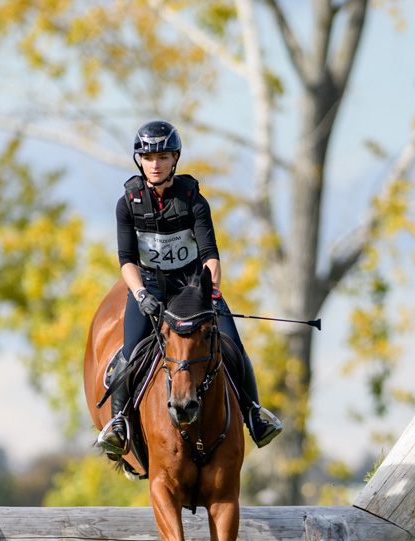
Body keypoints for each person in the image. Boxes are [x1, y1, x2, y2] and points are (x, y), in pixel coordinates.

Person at [97, 120, 282, 456]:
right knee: (127, 356)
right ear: (140, 160)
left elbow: (210, 255)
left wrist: (211, 292)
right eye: (148, 157)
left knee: (235, 350)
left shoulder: (194, 200)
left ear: (174, 159)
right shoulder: (127, 204)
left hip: (193, 287)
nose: (155, 164)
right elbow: (126, 260)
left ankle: (255, 414)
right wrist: (140, 295)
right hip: (151, 288)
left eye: (163, 156)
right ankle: (119, 424)